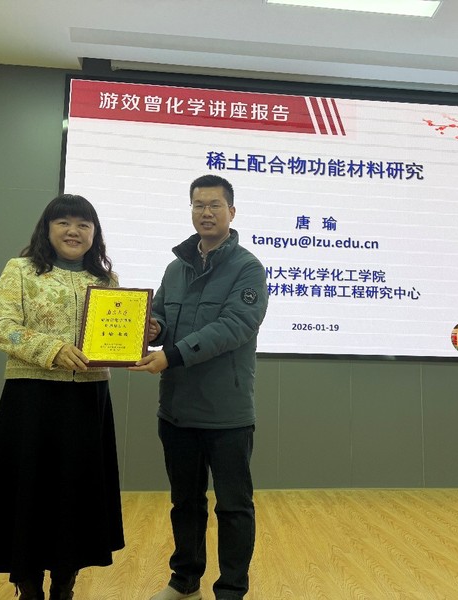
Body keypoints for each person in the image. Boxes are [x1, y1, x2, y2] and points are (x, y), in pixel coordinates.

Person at [0, 194, 125, 600]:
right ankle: (27, 582)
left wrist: (140, 334)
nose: (73, 231)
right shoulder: (21, 270)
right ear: (47, 229)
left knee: (76, 495)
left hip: (88, 400)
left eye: (83, 224)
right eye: (63, 223)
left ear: (95, 233)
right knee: (29, 492)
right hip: (32, 399)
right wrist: (51, 349)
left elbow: (116, 333)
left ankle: (65, 581)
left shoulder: (106, 280)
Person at [129, 175, 268, 600]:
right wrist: (152, 328)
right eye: (198, 205)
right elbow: (159, 314)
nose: (206, 212)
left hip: (226, 414)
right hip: (177, 410)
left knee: (234, 507)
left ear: (231, 211)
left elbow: (234, 326)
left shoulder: (248, 268)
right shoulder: (176, 268)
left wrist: (172, 354)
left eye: (214, 205)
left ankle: (230, 590)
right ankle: (185, 581)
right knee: (185, 503)